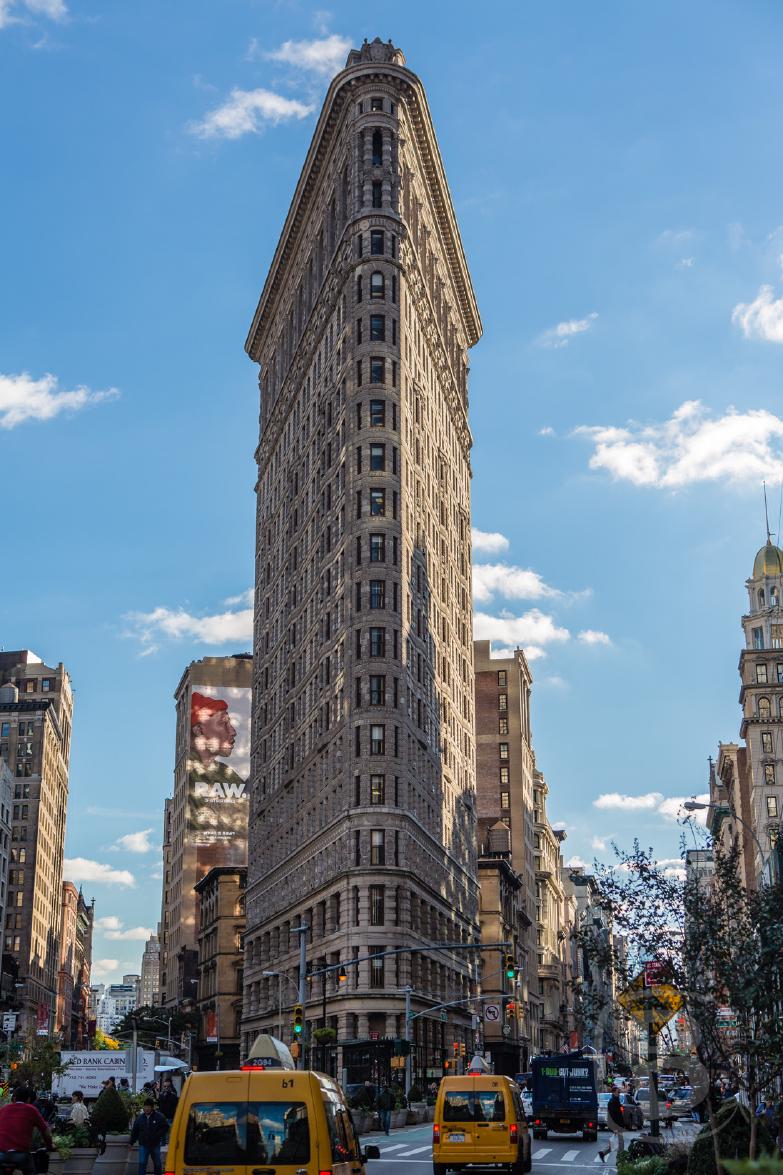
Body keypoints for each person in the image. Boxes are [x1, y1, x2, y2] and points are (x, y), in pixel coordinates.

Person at [0, 1086, 54, 1174]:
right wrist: (49, 1146)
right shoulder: (31, 1110)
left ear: (13, 1098)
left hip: (1, 1154)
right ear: (28, 1099)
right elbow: (45, 1131)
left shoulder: (3, 1110)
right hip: (21, 1155)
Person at [130, 1100, 168, 1175]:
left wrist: (158, 1135)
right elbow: (135, 1131)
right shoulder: (140, 1118)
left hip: (155, 1144)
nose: (146, 1109)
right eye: (145, 1107)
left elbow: (165, 1127)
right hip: (143, 1144)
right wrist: (131, 1142)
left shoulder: (159, 1117)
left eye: (148, 1107)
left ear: (152, 1108)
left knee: (157, 1163)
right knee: (142, 1163)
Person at [598, 1090, 626, 1163]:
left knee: (616, 1143)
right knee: (621, 1144)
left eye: (619, 1092)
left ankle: (603, 1153)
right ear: (613, 1093)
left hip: (619, 1125)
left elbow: (619, 1114)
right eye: (617, 1092)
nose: (619, 1093)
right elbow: (612, 1116)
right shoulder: (612, 1102)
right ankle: (619, 1160)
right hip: (616, 1126)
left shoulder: (617, 1101)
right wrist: (614, 1128)